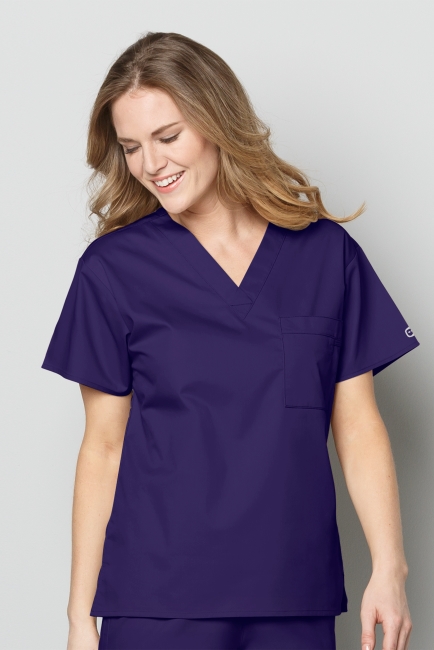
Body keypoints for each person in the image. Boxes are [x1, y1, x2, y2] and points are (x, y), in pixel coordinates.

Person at [41, 32, 419, 650]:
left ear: (217, 121)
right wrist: (80, 618)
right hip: (157, 600)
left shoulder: (326, 256)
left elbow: (357, 425)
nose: (150, 164)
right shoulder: (113, 270)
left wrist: (389, 568)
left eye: (168, 137)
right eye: (131, 148)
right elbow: (103, 448)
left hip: (293, 595)